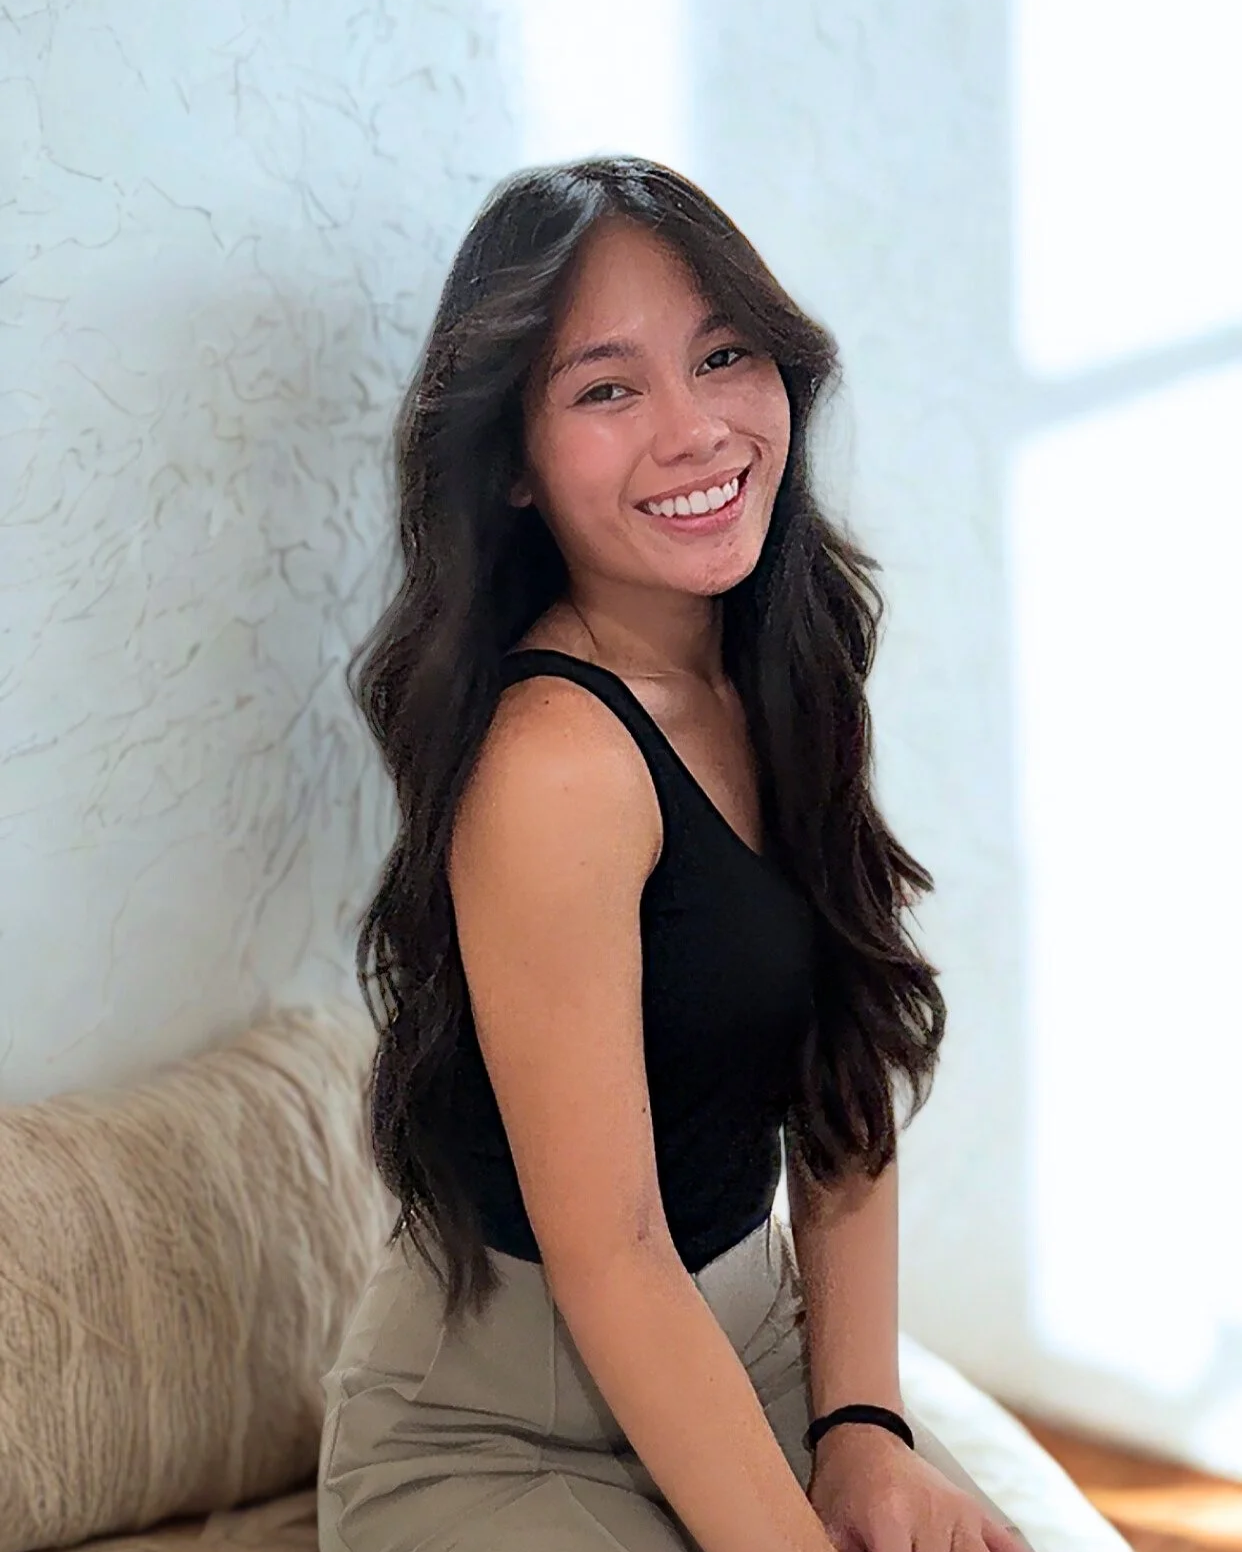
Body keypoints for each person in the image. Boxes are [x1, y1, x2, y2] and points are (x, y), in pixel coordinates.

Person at [319, 155, 1038, 1552]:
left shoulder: (784, 665)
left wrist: (862, 1435)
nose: (694, 429)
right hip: (505, 1435)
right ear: (513, 467)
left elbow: (845, 1073)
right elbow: (615, 1257)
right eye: (605, 388)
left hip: (748, 1356)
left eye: (722, 356)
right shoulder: (557, 763)